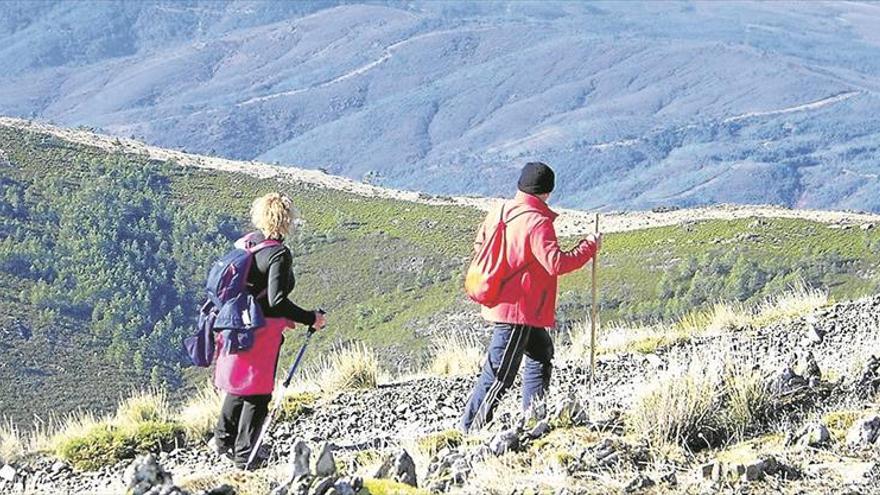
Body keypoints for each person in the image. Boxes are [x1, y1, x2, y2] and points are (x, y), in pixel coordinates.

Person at [459, 162, 601, 433]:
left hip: (505, 302)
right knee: (500, 374)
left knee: (540, 354)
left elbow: (480, 245)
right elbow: (556, 263)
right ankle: (470, 431)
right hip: (520, 310)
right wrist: (589, 247)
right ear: (547, 191)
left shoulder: (499, 210)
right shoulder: (538, 221)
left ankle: (534, 418)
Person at [211, 192, 326, 469]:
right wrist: (311, 317)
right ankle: (245, 457)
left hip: (237, 324)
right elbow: (276, 300)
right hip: (262, 331)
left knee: (239, 385)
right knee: (259, 392)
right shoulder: (278, 254)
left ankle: (222, 440)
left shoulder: (249, 245)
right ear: (286, 220)